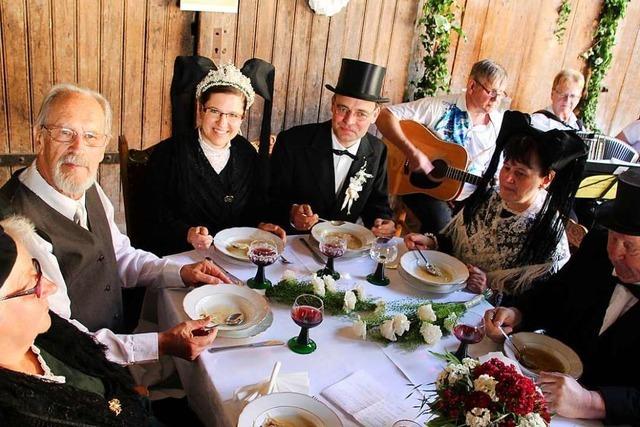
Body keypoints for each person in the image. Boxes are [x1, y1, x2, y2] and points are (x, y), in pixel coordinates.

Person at [0, 83, 227, 365]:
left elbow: (119, 255)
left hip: (117, 342)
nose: (78, 148)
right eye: (64, 133)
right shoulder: (17, 224)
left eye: (91, 136)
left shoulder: (86, 184)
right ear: (39, 137)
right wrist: (162, 344)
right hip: (77, 370)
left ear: (103, 144)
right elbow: (64, 337)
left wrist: (180, 271)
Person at [483, 168, 640, 425]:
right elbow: (556, 292)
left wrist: (592, 402)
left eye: (629, 246)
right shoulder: (598, 246)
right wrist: (517, 313)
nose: (615, 252)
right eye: (614, 238)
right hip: (537, 385)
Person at [405, 112, 587, 301]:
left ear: (546, 179)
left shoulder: (546, 235)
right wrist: (432, 242)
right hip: (448, 288)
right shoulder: (490, 198)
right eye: (506, 168)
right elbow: (455, 241)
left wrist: (487, 289)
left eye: (521, 174)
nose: (508, 179)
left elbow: (537, 304)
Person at [0, 217, 158, 426]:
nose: (51, 287)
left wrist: (130, 398)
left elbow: (97, 367)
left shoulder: (44, 330)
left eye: (36, 268)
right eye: (32, 284)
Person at [144, 63, 285, 256]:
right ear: (201, 110)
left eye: (233, 115)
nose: (222, 123)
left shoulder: (247, 154)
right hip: (184, 258)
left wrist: (260, 225)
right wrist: (187, 233)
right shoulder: (168, 154)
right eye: (214, 111)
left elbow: (253, 208)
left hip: (237, 258)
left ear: (242, 117)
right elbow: (152, 215)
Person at [376, 59, 508, 233]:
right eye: (491, 92)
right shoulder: (438, 107)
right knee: (444, 229)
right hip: (422, 187)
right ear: (471, 86)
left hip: (471, 197)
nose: (496, 99)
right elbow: (383, 116)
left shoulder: (499, 125)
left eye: (501, 93)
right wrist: (411, 151)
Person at [268, 58, 394, 236]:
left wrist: (383, 222)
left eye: (361, 114)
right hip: (294, 243)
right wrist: (291, 212)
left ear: (375, 115)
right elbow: (268, 199)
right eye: (343, 109)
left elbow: (377, 205)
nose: (349, 121)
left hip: (346, 248)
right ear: (333, 105)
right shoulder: (292, 141)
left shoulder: (378, 150)